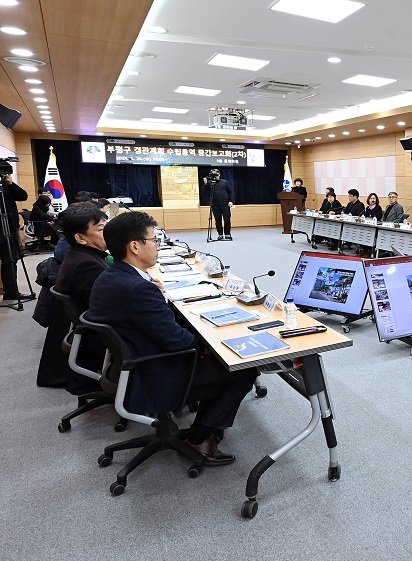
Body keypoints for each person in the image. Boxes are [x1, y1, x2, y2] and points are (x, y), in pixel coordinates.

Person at [86, 211, 257, 465]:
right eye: (154, 240)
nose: (158, 246)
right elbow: (178, 341)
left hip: (132, 363)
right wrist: (210, 344)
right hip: (153, 372)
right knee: (243, 368)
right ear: (135, 246)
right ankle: (200, 439)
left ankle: (212, 420)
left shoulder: (116, 276)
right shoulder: (137, 288)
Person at [49, 203, 111, 393]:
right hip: (104, 335)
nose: (108, 233)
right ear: (81, 238)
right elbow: (110, 307)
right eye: (101, 229)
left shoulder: (79, 255)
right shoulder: (87, 265)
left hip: (89, 329)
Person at [0, 171, 28, 300]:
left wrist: (10, 183)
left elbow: (23, 196)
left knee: (10, 261)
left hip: (9, 229)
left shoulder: (5, 186)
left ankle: (11, 292)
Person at [202, 168, 234, 241]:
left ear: (219, 175)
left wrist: (231, 201)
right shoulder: (210, 183)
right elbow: (205, 191)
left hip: (225, 204)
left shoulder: (224, 182)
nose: (215, 177)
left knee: (227, 218)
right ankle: (220, 234)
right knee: (218, 220)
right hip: (215, 205)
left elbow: (230, 192)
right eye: (213, 175)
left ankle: (227, 234)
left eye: (216, 175)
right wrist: (205, 184)